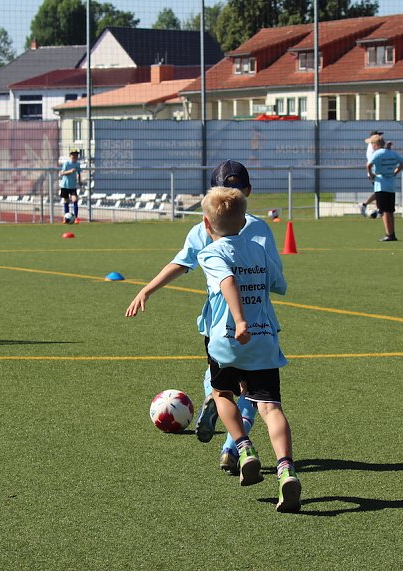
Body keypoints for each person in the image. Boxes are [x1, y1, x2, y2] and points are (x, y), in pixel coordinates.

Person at [125, 160, 282, 475]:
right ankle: (232, 448)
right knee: (256, 394)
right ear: (248, 192)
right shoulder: (258, 228)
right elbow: (275, 279)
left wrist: (148, 289)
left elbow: (182, 263)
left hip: (217, 324)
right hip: (258, 324)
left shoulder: (203, 227)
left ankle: (215, 403)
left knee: (220, 381)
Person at [197, 186, 300, 513]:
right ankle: (286, 470)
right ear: (243, 222)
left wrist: (239, 319)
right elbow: (279, 284)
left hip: (229, 341)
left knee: (222, 394)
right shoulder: (258, 249)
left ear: (206, 223)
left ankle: (244, 448)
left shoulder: (210, 253)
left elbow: (226, 280)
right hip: (264, 340)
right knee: (270, 408)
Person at [367, 136, 403, 242]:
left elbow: (369, 165)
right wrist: (396, 171)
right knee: (390, 210)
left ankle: (389, 234)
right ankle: (392, 233)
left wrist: (371, 174)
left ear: (375, 145)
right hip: (391, 184)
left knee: (384, 211)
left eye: (372, 144)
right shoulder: (391, 153)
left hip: (381, 184)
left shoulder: (377, 153)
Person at [359, 130, 384, 218]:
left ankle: (378, 210)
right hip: (375, 173)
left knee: (379, 192)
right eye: (378, 136)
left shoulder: (374, 146)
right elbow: (372, 162)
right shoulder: (373, 147)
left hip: (375, 172)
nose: (380, 138)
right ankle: (364, 204)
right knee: (379, 192)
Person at [58, 150, 82, 223]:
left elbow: (79, 173)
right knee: (66, 201)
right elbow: (61, 173)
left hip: (73, 186)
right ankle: (66, 218)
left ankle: (76, 218)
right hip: (65, 185)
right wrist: (70, 171)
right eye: (73, 155)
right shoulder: (66, 164)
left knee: (75, 200)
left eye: (76, 155)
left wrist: (79, 181)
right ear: (70, 156)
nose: (75, 156)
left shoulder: (77, 164)